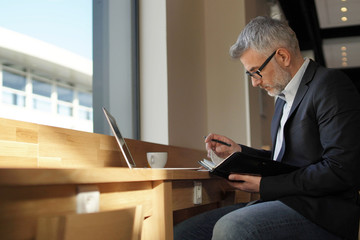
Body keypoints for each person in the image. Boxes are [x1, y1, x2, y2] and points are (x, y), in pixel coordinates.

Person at [174, 16, 360, 240]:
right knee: (185, 232)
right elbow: (287, 162)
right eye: (249, 74)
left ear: (282, 56)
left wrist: (265, 185)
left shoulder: (330, 85)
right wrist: (241, 153)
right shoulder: (282, 98)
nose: (254, 82)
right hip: (284, 201)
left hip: (320, 213)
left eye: (256, 71)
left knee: (231, 228)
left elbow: (340, 170)